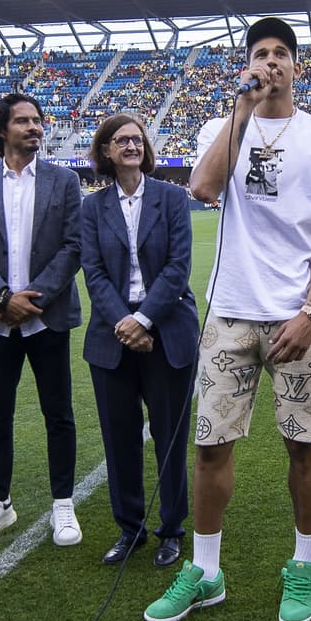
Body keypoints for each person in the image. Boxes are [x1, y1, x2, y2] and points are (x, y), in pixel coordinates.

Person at [144, 17, 311, 621]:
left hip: (300, 316)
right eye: (259, 52)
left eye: (280, 54)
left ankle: (304, 565)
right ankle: (206, 572)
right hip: (230, 312)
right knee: (210, 445)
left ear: (298, 67)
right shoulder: (223, 125)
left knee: (303, 445)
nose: (269, 61)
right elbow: (202, 187)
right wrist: (241, 110)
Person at [0, 92, 84, 548]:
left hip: (46, 320)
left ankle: (63, 503)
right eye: (24, 121)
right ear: (1, 131)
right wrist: (1, 297)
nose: (34, 127)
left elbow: (73, 247)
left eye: (37, 121)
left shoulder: (64, 181)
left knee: (59, 414)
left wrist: (35, 299)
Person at [81, 114, 199, 568]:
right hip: (113, 338)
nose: (131, 145)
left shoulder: (171, 197)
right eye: (120, 140)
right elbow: (92, 271)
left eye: (137, 139)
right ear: (106, 152)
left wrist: (145, 320)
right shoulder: (92, 207)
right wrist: (125, 324)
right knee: (120, 438)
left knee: (170, 435)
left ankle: (171, 528)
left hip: (166, 332)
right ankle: (129, 529)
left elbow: (177, 267)